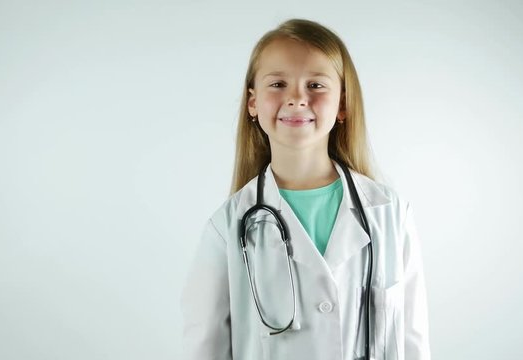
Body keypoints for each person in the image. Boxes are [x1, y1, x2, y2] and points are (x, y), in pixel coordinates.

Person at [180, 18, 431, 360]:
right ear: (253, 103)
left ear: (342, 104)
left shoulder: (389, 213)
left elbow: (412, 340)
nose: (297, 98)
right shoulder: (227, 227)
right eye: (278, 84)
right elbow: (204, 347)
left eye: (315, 85)